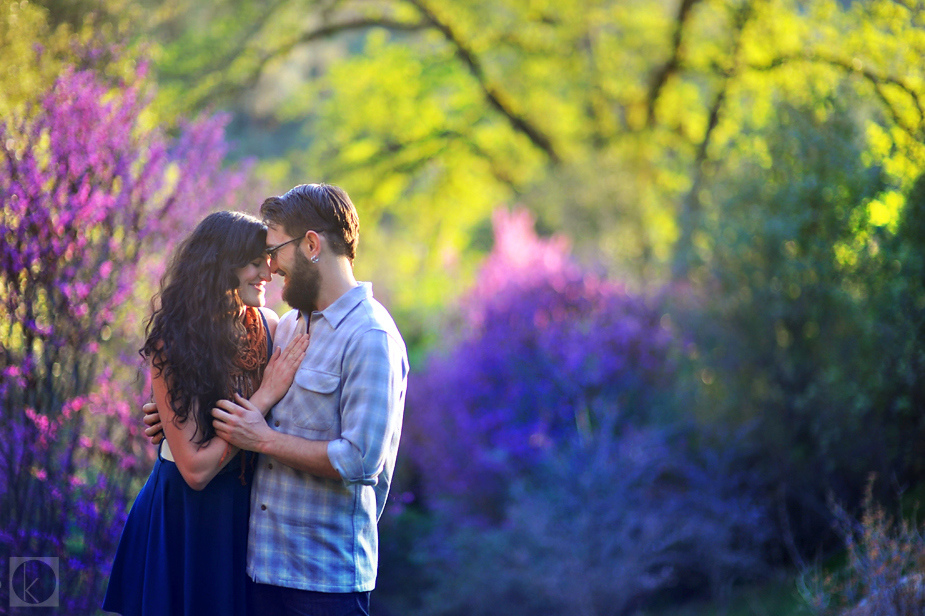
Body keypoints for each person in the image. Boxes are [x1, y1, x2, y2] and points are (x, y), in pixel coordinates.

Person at [146, 184, 409, 616]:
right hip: (256, 570)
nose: (270, 266)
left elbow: (362, 461)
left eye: (275, 250)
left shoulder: (370, 337)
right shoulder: (285, 329)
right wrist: (173, 414)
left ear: (310, 245)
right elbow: (223, 389)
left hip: (323, 581)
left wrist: (262, 439)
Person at [104, 211, 310, 616]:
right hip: (185, 514)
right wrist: (264, 397)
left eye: (268, 258)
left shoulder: (269, 326)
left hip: (242, 509)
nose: (267, 271)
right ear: (220, 267)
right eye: (254, 262)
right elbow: (195, 471)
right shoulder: (173, 344)